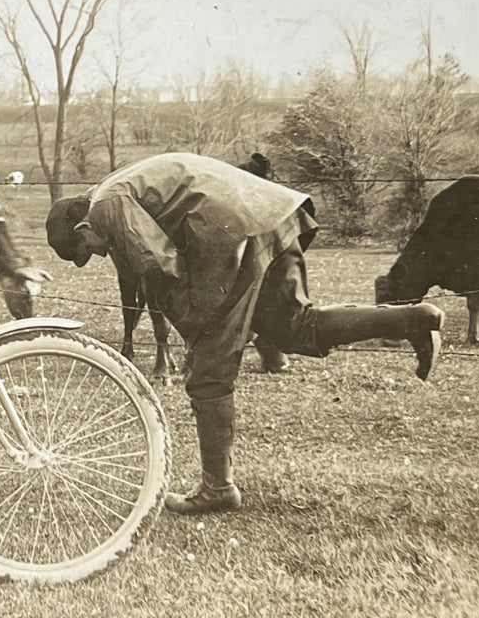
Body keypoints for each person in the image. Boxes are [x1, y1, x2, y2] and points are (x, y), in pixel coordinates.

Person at [44, 152, 443, 516]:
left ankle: (218, 488)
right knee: (295, 328)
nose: (97, 254)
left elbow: (159, 267)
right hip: (270, 216)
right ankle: (412, 320)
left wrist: (198, 336)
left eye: (87, 249)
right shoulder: (117, 186)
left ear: (81, 226)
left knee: (207, 371)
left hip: (233, 235)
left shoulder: (105, 207)